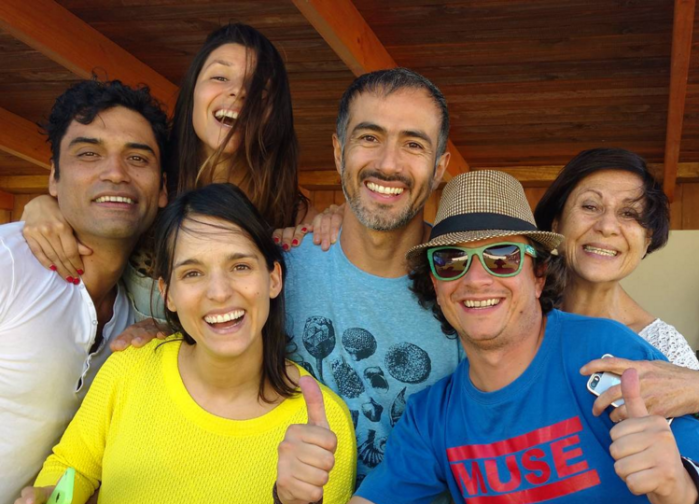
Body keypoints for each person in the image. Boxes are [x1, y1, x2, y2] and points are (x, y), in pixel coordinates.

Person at [292, 170, 699, 504]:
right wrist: (294, 498)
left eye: (502, 257)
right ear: (435, 283)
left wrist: (678, 490)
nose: (476, 280)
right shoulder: (430, 417)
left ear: (538, 275)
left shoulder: (604, 350)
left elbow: (679, 468)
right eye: (451, 260)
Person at [14, 184, 356, 504]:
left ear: (273, 279)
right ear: (168, 294)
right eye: (192, 273)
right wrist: (48, 495)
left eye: (240, 266)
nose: (219, 292)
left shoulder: (323, 426)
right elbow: (73, 466)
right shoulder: (129, 369)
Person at [19, 23, 336, 326]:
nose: (239, 92)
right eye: (220, 77)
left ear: (274, 113)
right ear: (193, 92)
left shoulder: (292, 212)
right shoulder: (149, 180)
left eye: (258, 88)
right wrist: (43, 206)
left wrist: (340, 220)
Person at [276, 68, 462, 500]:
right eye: (369, 137)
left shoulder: (467, 290)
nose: (388, 164)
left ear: (439, 167)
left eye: (413, 144)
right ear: (339, 152)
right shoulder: (277, 271)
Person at [0, 79, 168, 502]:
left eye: (137, 158)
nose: (115, 173)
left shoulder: (132, 321)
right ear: (54, 178)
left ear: (163, 189)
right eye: (89, 154)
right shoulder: (8, 264)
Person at [534, 148, 699, 421]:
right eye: (590, 206)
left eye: (629, 213)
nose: (607, 226)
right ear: (556, 223)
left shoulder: (663, 348)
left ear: (647, 240)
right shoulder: (517, 316)